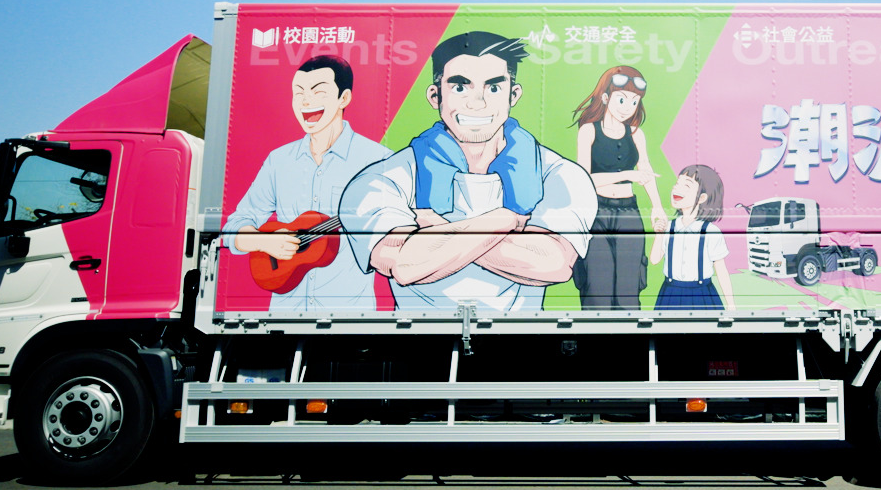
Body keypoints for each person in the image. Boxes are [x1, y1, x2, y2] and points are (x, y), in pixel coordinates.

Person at [340, 32, 596, 313]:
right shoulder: (384, 178)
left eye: (493, 88)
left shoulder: (559, 173)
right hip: (418, 334)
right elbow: (403, 263)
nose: (477, 103)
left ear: (513, 95)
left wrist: (436, 232)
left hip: (522, 334)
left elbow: (554, 263)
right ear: (435, 95)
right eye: (460, 87)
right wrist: (508, 219)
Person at [224, 55, 393, 313]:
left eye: (318, 91)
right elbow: (233, 226)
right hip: (284, 315)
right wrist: (263, 242)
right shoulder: (279, 160)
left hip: (348, 315)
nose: (305, 101)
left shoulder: (378, 160)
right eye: (298, 92)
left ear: (344, 98)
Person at [570, 66, 665, 310]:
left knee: (629, 283)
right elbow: (584, 180)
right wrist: (626, 175)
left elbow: (646, 169)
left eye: (634, 101)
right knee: (596, 284)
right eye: (621, 99)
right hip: (596, 212)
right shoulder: (588, 131)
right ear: (605, 97)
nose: (627, 107)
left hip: (629, 212)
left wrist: (657, 207)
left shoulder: (636, 134)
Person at [650, 164, 734, 311]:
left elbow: (721, 270)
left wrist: (731, 304)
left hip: (702, 293)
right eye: (677, 183)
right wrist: (659, 235)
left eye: (686, 185)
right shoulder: (669, 227)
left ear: (702, 198)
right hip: (670, 292)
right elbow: (655, 259)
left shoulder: (711, 231)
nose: (676, 188)